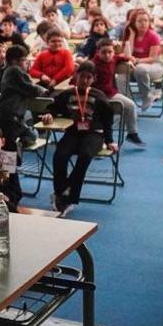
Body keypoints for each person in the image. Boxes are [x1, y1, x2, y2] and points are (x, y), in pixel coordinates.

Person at [44, 61, 117, 215]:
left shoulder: (99, 96)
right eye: (81, 76)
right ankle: (60, 193)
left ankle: (66, 196)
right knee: (60, 155)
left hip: (94, 134)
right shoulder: (67, 94)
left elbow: (107, 120)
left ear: (93, 79)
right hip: (73, 133)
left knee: (85, 156)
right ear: (76, 76)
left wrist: (110, 140)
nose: (84, 80)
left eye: (88, 77)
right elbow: (53, 107)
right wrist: (49, 113)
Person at [89, 38, 145, 145]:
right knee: (103, 116)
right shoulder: (92, 64)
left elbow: (120, 57)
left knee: (131, 105)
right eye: (103, 52)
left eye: (110, 52)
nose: (107, 55)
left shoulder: (113, 59)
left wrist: (129, 59)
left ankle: (132, 133)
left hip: (111, 94)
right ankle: (99, 142)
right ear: (98, 52)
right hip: (97, 97)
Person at [0, 44, 49, 148]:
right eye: (24, 60)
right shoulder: (16, 70)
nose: (27, 63)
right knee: (10, 147)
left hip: (8, 115)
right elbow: (31, 89)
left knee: (25, 137)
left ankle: (18, 144)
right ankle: (18, 146)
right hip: (12, 117)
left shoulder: (8, 71)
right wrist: (44, 91)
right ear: (15, 61)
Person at [122, 10, 163, 111]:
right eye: (140, 21)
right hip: (135, 67)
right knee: (120, 74)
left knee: (140, 68)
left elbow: (152, 59)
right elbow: (128, 54)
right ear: (134, 23)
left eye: (146, 21)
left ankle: (147, 96)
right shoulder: (130, 34)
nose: (143, 23)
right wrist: (132, 35)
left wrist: (137, 60)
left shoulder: (153, 36)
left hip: (155, 66)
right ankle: (127, 103)